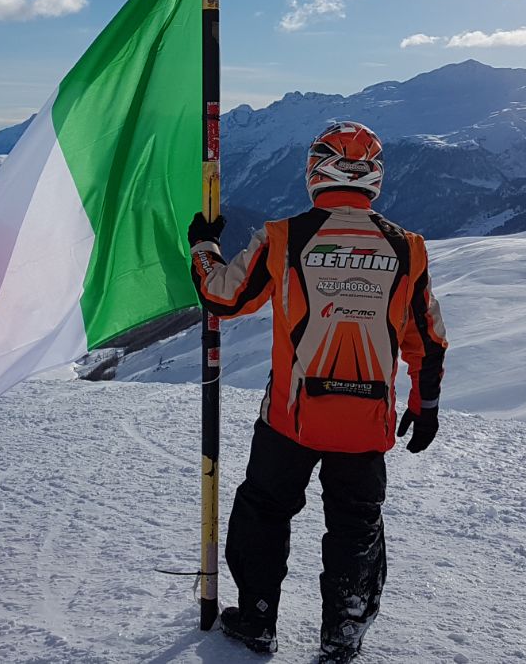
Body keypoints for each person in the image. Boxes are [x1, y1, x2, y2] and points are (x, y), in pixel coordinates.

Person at [188, 121, 447, 663]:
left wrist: (204, 245)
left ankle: (257, 619)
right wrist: (425, 406)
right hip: (365, 422)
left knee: (263, 511)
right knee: (355, 528)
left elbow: (224, 298)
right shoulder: (408, 248)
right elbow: (427, 337)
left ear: (314, 171)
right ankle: (342, 635)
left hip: (291, 418)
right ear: (375, 175)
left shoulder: (283, 237)